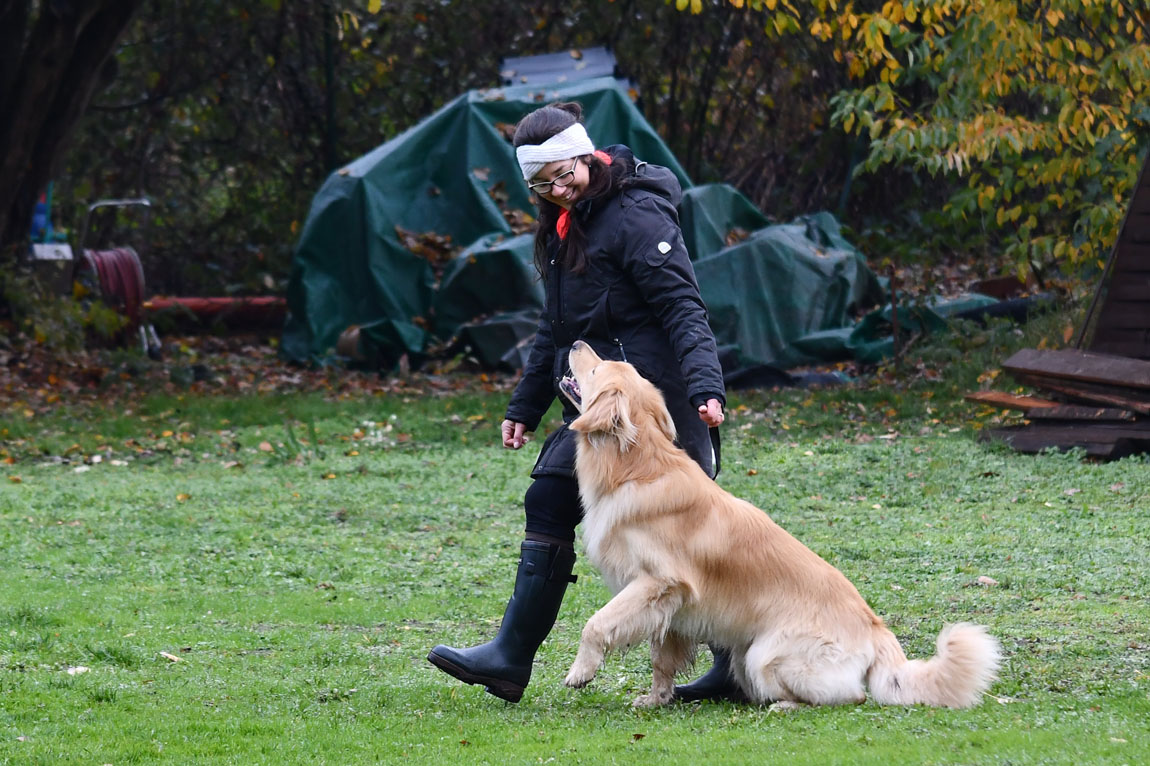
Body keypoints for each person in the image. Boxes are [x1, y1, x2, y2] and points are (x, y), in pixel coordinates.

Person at [427, 102, 739, 704]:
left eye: (561, 174)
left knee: (695, 531)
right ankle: (510, 656)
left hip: (658, 405)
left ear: (583, 153)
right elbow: (557, 326)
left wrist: (705, 387)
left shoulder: (638, 216)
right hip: (598, 396)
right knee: (548, 494)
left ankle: (731, 663)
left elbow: (683, 309)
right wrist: (525, 404)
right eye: (541, 185)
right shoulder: (564, 223)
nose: (556, 190)